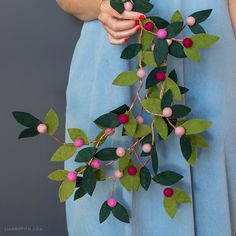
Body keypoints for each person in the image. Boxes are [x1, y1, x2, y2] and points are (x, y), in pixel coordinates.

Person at [57, 0, 236, 235]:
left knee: (212, 195)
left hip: (209, 61)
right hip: (114, 66)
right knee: (110, 197)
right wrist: (103, 5)